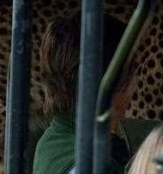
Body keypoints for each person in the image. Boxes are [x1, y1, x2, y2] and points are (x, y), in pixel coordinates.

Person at [33, 13, 139, 174]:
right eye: (133, 70)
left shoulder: (53, 139)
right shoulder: (98, 165)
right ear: (114, 80)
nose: (136, 84)